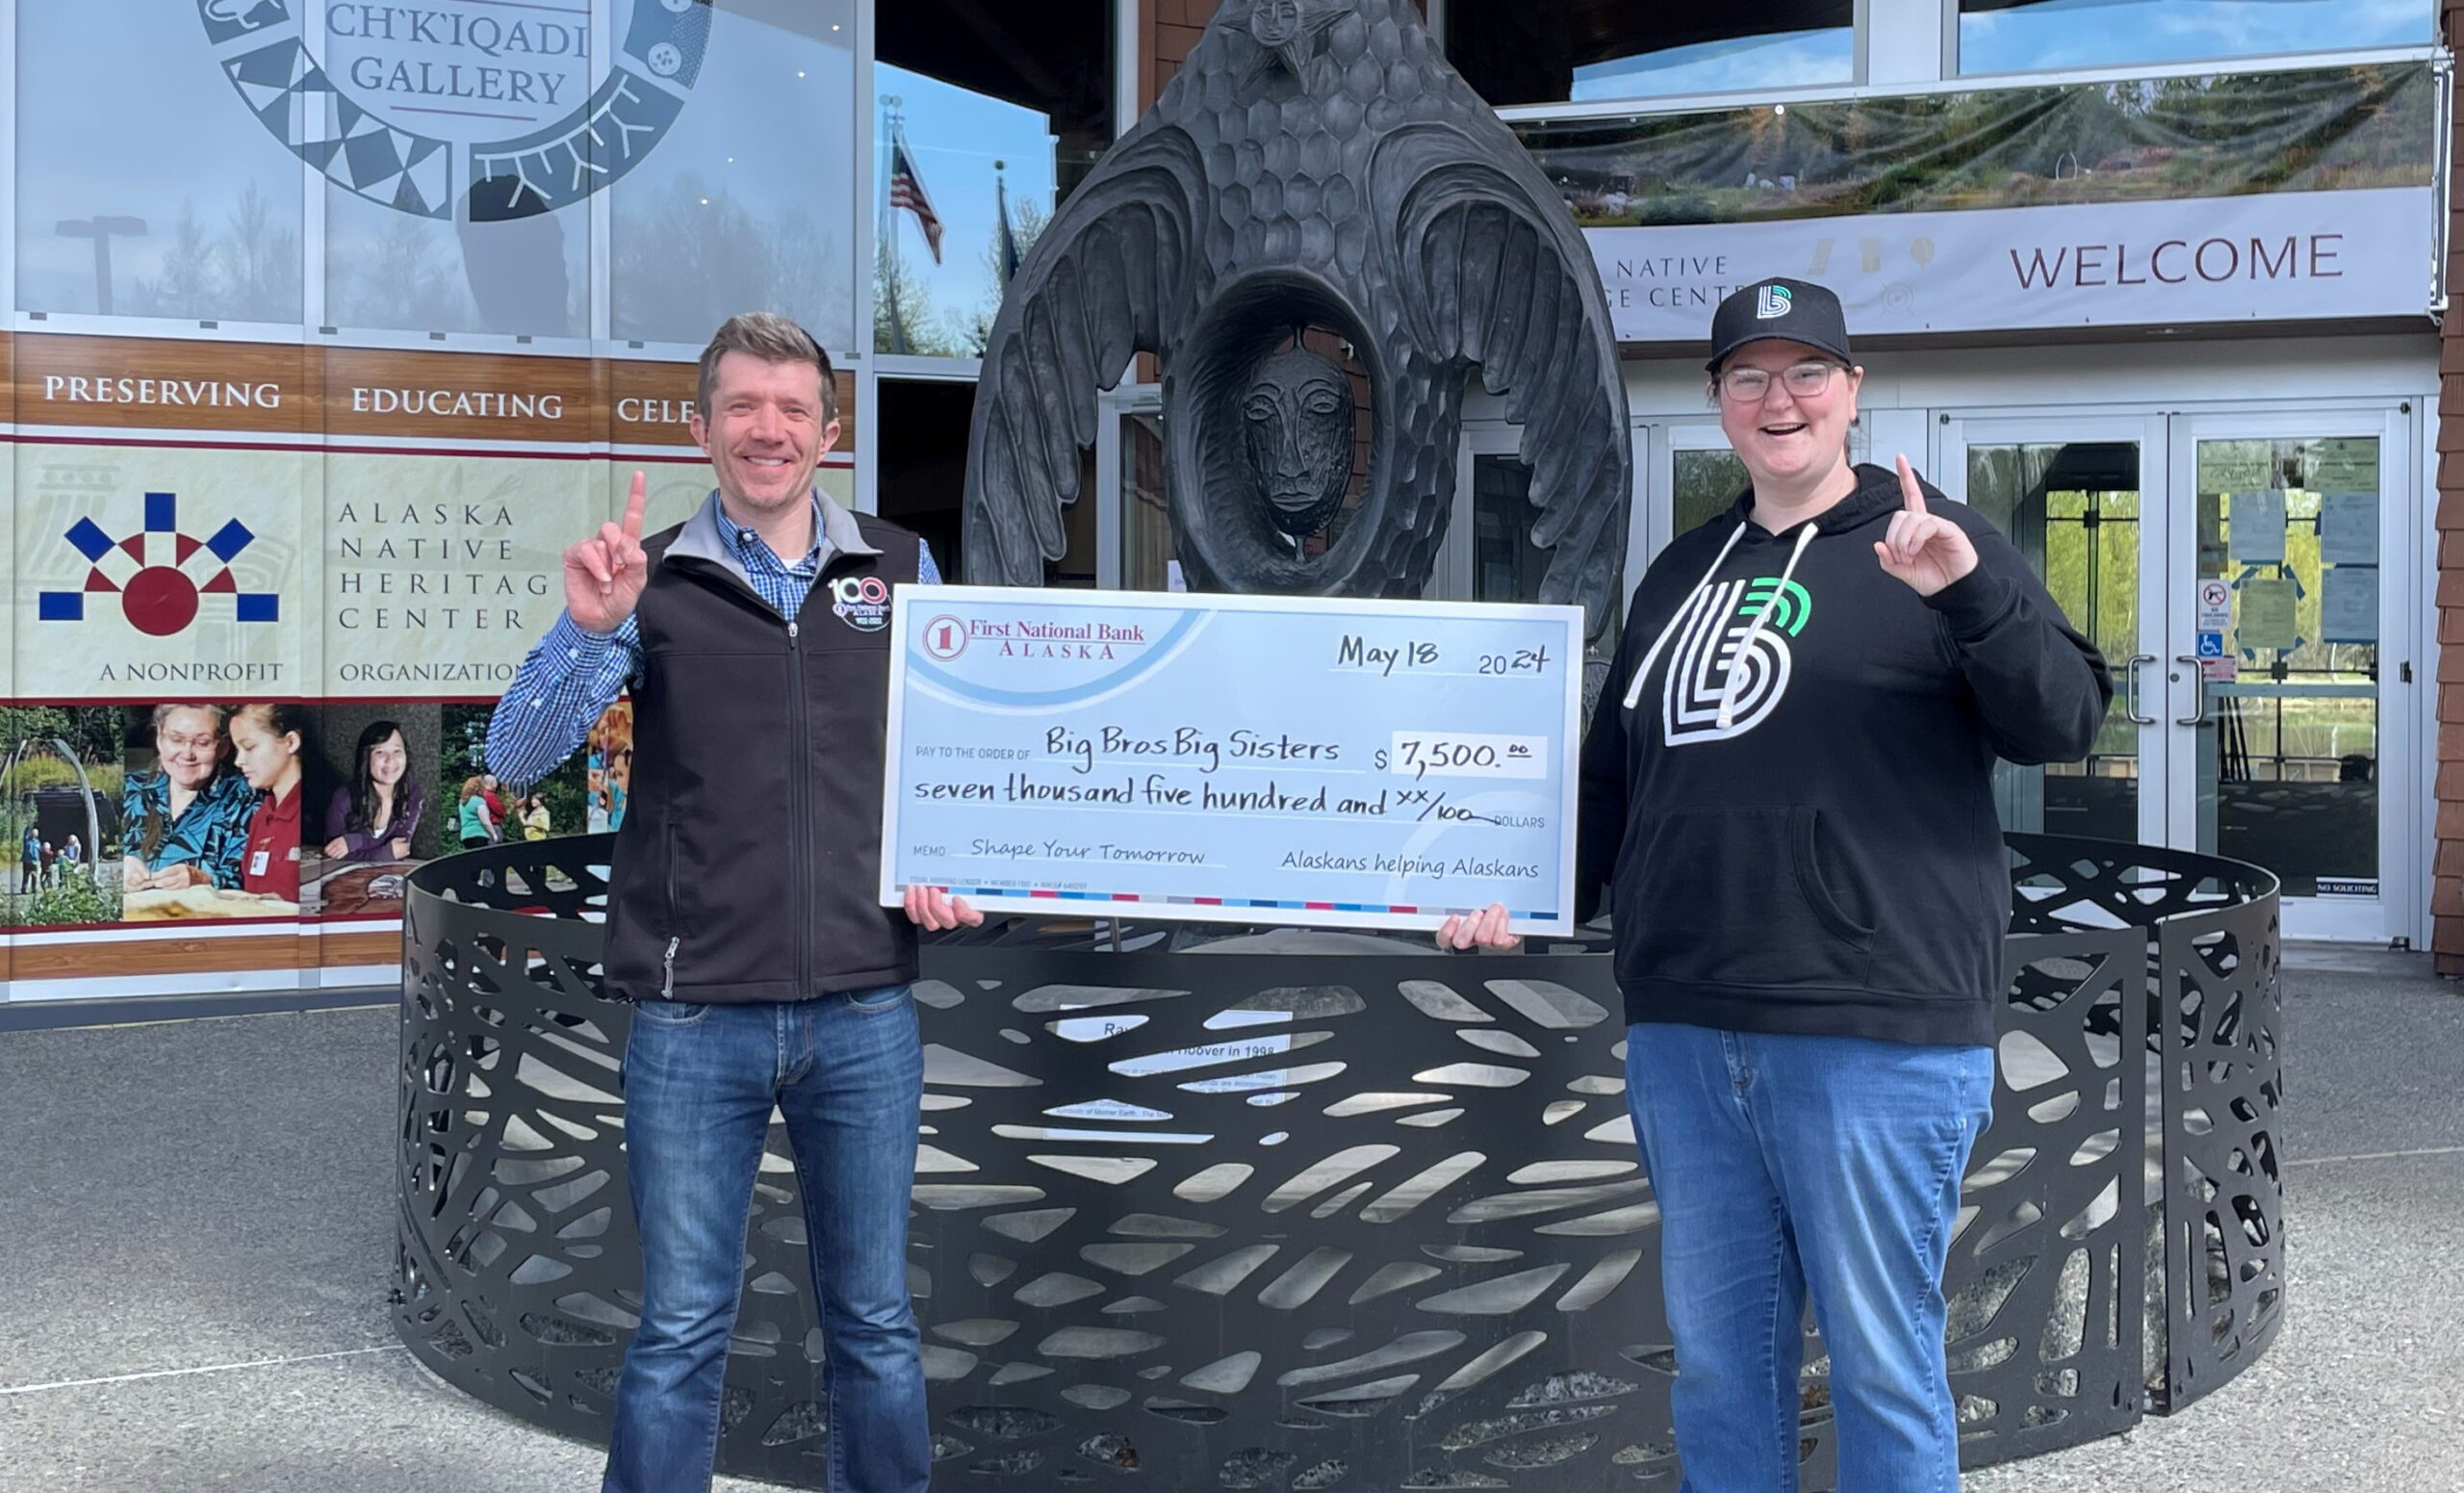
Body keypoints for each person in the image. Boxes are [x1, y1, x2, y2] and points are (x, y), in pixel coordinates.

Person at [1443, 277, 2111, 1492]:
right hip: (1689, 1030)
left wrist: (1966, 591)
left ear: (1852, 392)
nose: (1778, 397)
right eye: (1748, 375)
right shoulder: (1680, 571)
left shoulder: (1934, 544)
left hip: (1874, 1031)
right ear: (1716, 403)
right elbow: (1610, 783)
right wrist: (1517, 894)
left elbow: (2059, 719)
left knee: (1881, 1368)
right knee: (1717, 1363)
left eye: (1808, 371)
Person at [486, 312, 980, 1493]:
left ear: (830, 432)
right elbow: (513, 756)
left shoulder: (904, 571)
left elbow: (954, 756)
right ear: (702, 427)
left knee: (873, 1327)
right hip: (694, 1013)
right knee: (679, 1335)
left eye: (793, 409)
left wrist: (958, 861)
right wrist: (585, 630)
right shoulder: (649, 582)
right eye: (744, 407)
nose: (769, 430)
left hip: (866, 1009)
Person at [122, 704, 255, 890]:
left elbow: (253, 881)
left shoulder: (245, 798)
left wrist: (203, 880)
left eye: (202, 743)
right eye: (176, 740)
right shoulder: (130, 788)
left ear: (223, 747)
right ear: (159, 739)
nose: (187, 754)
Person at [229, 703, 306, 904]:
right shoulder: (262, 815)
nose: (238, 760)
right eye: (237, 749)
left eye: (249, 747)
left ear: (290, 741)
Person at [324, 719, 423, 862]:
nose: (391, 760)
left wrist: (355, 842)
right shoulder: (344, 797)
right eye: (380, 752)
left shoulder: (412, 794)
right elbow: (335, 854)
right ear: (366, 757)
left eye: (397, 751)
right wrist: (384, 853)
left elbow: (401, 848)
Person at [456, 776, 497, 850]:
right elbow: (485, 822)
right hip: (478, 833)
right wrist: (494, 834)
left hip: (465, 835)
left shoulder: (462, 803)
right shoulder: (479, 801)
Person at [20, 824, 39, 893]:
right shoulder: (26, 840)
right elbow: (25, 833)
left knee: (34, 876)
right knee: (26, 876)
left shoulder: (38, 842)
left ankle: (33, 889)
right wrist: (28, 826)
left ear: (37, 834)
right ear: (31, 833)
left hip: (34, 861)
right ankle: (24, 889)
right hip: (26, 860)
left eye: (35, 833)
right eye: (33, 833)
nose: (34, 834)